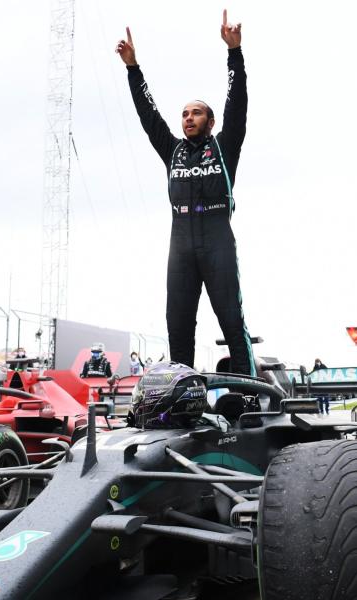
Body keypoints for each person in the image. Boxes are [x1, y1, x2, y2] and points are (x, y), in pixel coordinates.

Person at [117, 11, 255, 376]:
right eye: (184, 114)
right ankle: (182, 399)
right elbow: (148, 116)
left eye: (196, 113)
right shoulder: (172, 150)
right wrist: (133, 69)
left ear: (210, 122)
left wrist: (234, 54)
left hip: (217, 242)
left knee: (231, 322)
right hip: (180, 247)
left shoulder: (224, 147)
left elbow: (237, 106)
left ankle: (248, 398)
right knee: (178, 327)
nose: (188, 118)